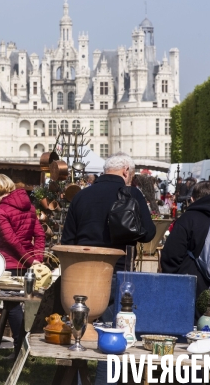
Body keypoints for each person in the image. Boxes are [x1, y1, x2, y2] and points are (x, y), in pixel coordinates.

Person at [62, 153, 155, 385]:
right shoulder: (131, 193)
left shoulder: (82, 196)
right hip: (116, 270)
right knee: (113, 330)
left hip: (81, 271)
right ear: (126, 171)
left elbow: (67, 239)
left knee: (81, 328)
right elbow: (150, 232)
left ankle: (77, 379)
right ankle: (104, 380)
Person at [0, 174, 45, 359]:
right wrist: (37, 259)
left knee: (12, 306)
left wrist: (32, 260)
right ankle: (23, 347)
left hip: (11, 263)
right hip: (27, 264)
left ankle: (21, 348)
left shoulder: (1, 211)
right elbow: (39, 235)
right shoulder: (29, 206)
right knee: (25, 306)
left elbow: (11, 240)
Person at [162, 182, 210, 318]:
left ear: (193, 199)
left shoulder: (188, 219)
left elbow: (171, 255)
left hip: (191, 291)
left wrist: (171, 281)